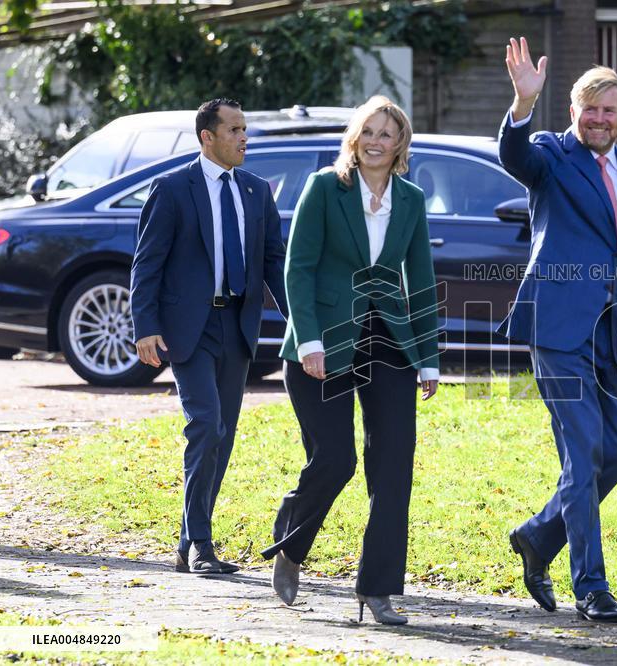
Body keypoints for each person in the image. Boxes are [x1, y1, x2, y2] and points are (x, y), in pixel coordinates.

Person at [498, 38, 617, 622]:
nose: (599, 119)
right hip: (558, 326)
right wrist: (522, 105)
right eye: (589, 108)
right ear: (573, 110)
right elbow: (514, 155)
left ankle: (537, 536)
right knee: (584, 451)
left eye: (610, 110)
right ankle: (592, 588)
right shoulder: (550, 154)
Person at [261, 95, 440, 625]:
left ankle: (378, 587)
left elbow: (422, 280)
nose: (377, 142)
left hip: (390, 341)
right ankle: (291, 546)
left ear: (400, 143)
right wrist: (310, 339)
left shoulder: (410, 199)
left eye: (387, 134)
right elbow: (299, 268)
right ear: (354, 138)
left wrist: (428, 357)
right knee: (335, 459)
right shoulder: (324, 187)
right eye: (369, 131)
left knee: (393, 466)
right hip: (324, 341)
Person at [130, 98, 289, 575]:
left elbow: (273, 263)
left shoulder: (257, 192)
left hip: (237, 327)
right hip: (188, 329)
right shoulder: (173, 189)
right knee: (206, 426)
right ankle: (201, 544)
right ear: (208, 137)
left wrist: (300, 319)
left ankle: (186, 542)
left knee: (223, 437)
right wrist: (145, 327)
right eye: (235, 130)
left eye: (246, 129)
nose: (245, 138)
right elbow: (147, 263)